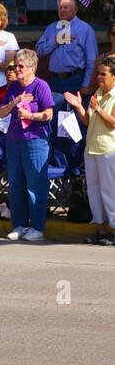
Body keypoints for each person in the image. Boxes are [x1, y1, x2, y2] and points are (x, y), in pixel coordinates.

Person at [0, 48, 55, 242]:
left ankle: (37, 227)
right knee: (15, 185)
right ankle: (19, 225)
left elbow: (49, 114)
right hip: (14, 141)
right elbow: (1, 113)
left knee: (35, 186)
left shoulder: (41, 86)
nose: (16, 69)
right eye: (15, 65)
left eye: (21, 66)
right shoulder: (13, 87)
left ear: (32, 68)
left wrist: (31, 116)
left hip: (35, 141)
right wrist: (15, 102)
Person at [65, 55, 115, 245]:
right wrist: (79, 107)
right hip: (91, 148)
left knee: (110, 191)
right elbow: (88, 121)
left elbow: (113, 124)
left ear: (114, 76)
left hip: (109, 150)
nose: (99, 77)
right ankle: (101, 230)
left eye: (103, 74)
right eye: (98, 73)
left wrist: (99, 109)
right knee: (94, 191)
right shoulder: (98, 92)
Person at [36, 0, 97, 98]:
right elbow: (39, 52)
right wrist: (55, 41)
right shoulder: (51, 28)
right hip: (56, 80)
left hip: (76, 79)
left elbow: (92, 59)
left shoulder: (85, 29)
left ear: (75, 10)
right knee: (55, 113)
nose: (62, 10)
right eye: (60, 8)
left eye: (65, 7)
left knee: (73, 113)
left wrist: (86, 84)